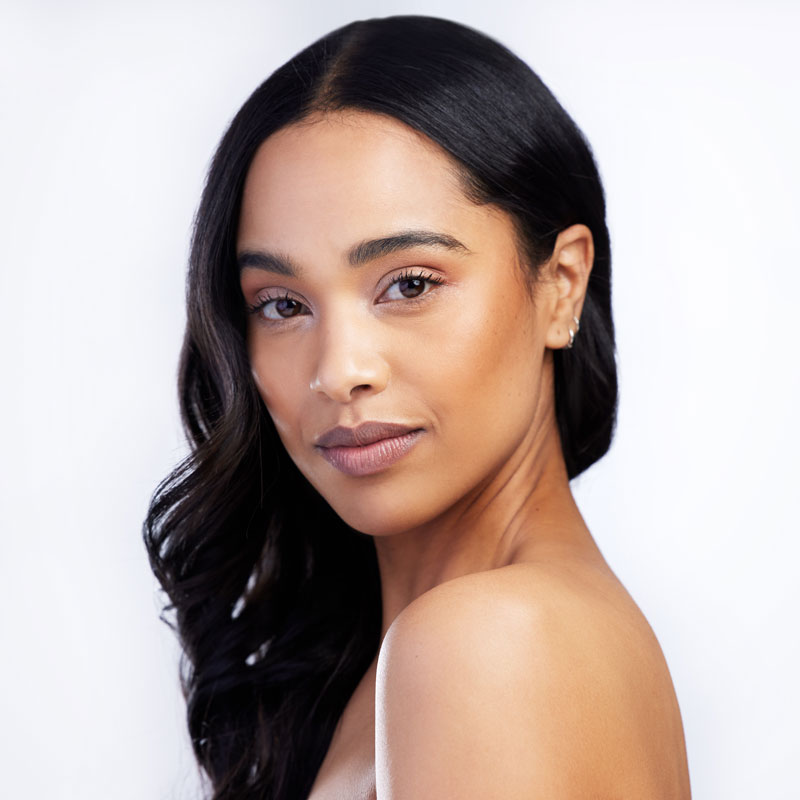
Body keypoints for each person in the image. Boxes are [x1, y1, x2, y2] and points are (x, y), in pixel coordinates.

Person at [144, 14, 691, 800]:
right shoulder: (428, 651)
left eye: (409, 284)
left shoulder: (486, 645)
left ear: (560, 285)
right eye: (282, 303)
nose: (339, 371)